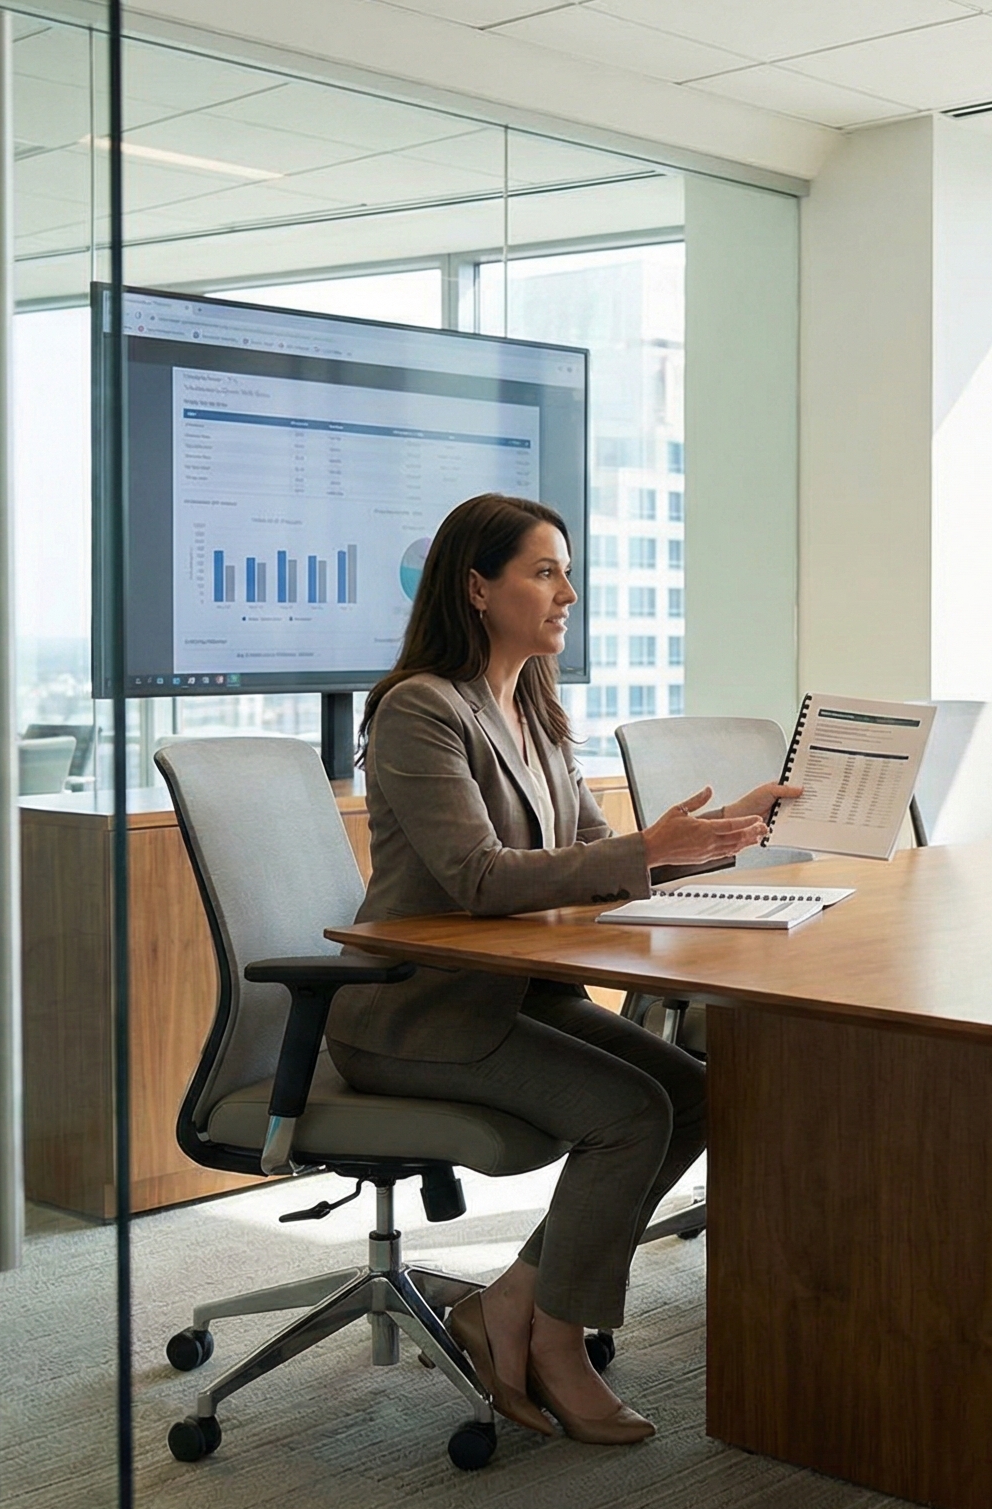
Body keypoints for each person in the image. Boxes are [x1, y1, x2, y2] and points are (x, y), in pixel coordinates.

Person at [329, 492, 796, 1446]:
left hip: (519, 997)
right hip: (421, 1015)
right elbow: (475, 877)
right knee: (631, 1114)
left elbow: (590, 861)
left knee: (699, 1093)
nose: (567, 593)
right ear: (476, 587)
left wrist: (700, 846)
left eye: (565, 572)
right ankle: (557, 1337)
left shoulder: (535, 713)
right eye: (545, 572)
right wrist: (647, 852)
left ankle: (514, 1304)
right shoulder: (419, 711)